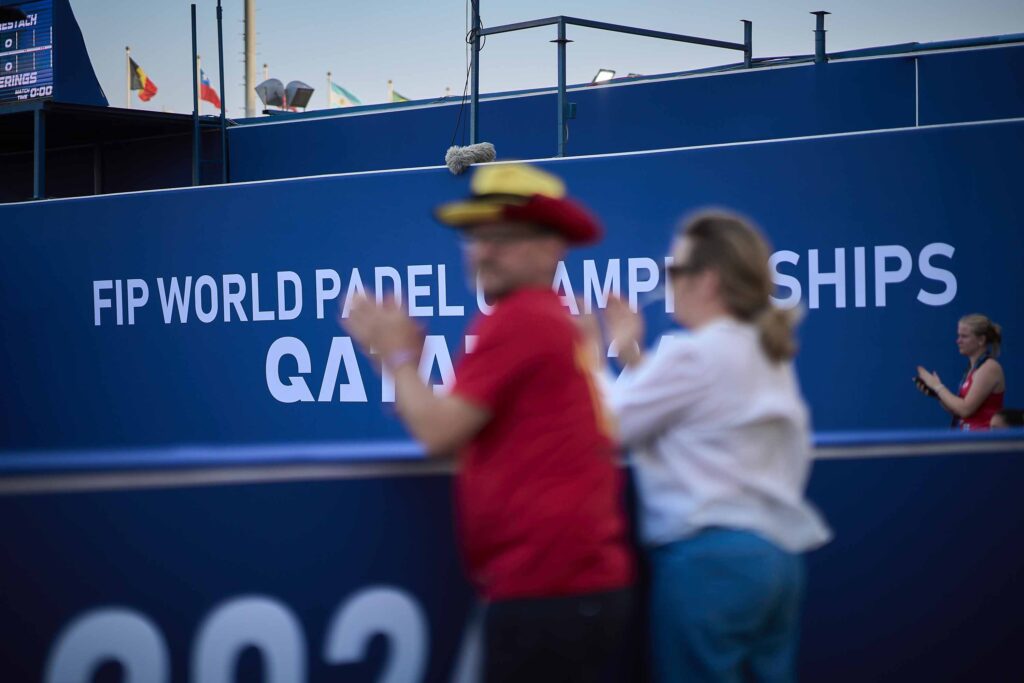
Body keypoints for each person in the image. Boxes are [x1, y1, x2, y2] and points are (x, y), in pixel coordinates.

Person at [340, 163, 634, 683]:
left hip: (548, 589)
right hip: (565, 587)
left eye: (504, 239)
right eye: (475, 237)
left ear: (552, 248)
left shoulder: (522, 319)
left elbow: (438, 432)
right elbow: (461, 425)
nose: (483, 252)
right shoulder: (546, 316)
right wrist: (403, 366)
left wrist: (397, 357)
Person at [582, 210, 830, 683]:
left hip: (708, 566)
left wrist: (590, 358)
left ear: (709, 280)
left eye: (674, 269)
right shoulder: (765, 353)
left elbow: (607, 426)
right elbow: (683, 409)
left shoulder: (692, 353)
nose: (666, 282)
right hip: (777, 562)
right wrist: (631, 355)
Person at [915, 314, 1005, 430]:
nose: (958, 341)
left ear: (981, 340)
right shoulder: (972, 369)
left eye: (964, 336)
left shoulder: (989, 367)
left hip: (983, 439)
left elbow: (965, 410)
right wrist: (937, 394)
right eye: (958, 336)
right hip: (969, 437)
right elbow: (957, 410)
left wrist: (937, 386)